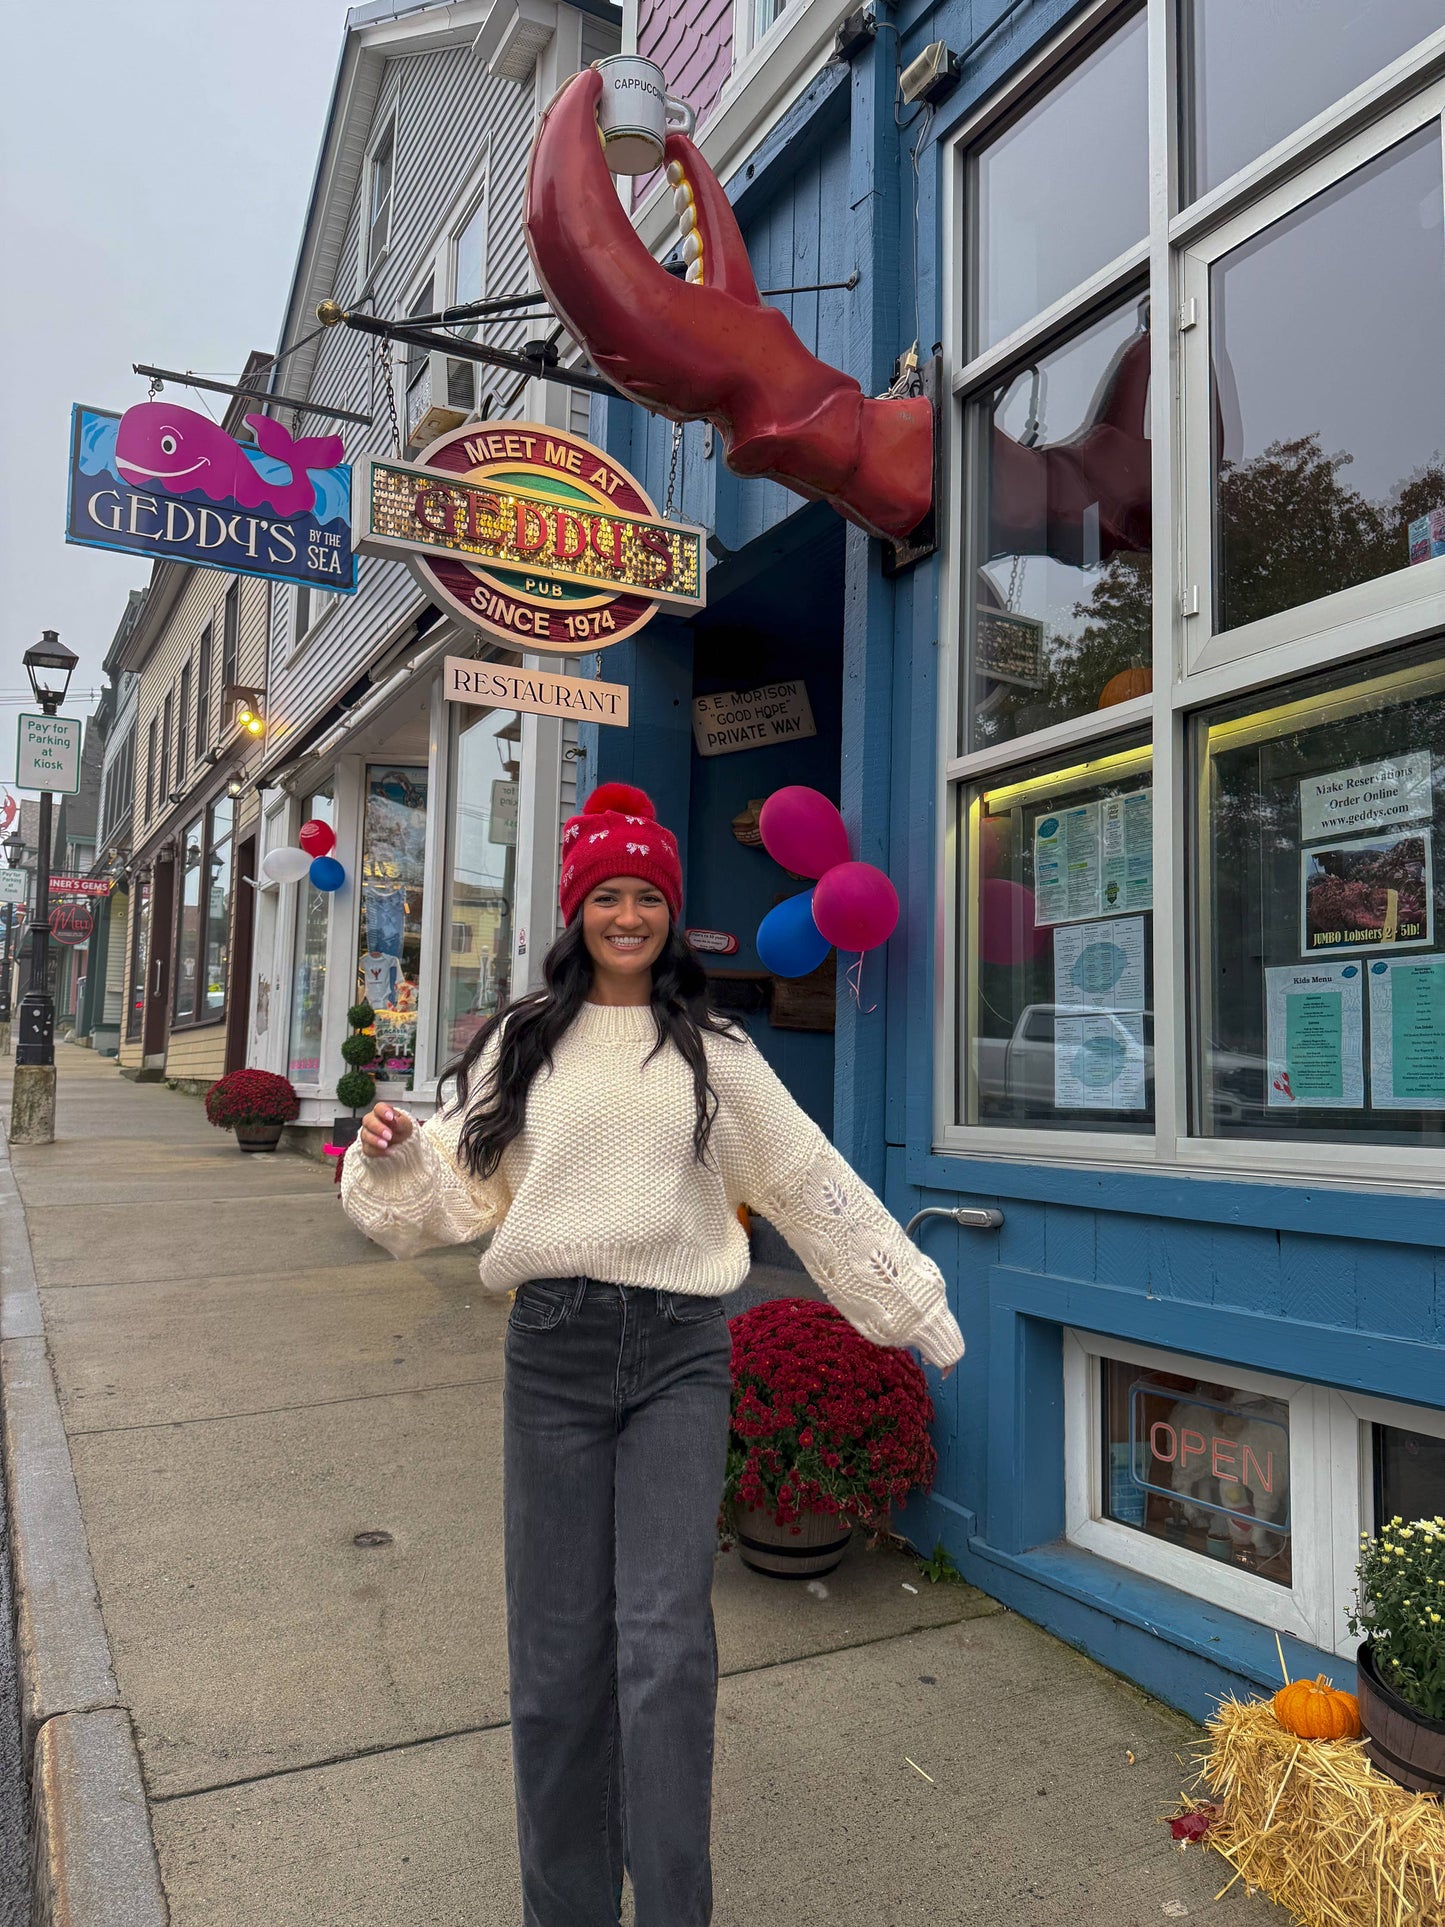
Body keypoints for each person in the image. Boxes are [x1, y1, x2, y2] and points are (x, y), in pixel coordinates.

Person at [341, 782, 964, 1927]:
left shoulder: (713, 1053)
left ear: (670, 916)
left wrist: (906, 1299)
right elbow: (446, 1190)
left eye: (646, 898)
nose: (626, 915)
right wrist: (384, 1159)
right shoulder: (523, 1041)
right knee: (556, 1654)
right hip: (554, 1354)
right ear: (576, 910)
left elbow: (808, 1181)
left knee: (667, 1649)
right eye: (605, 896)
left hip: (680, 1353)